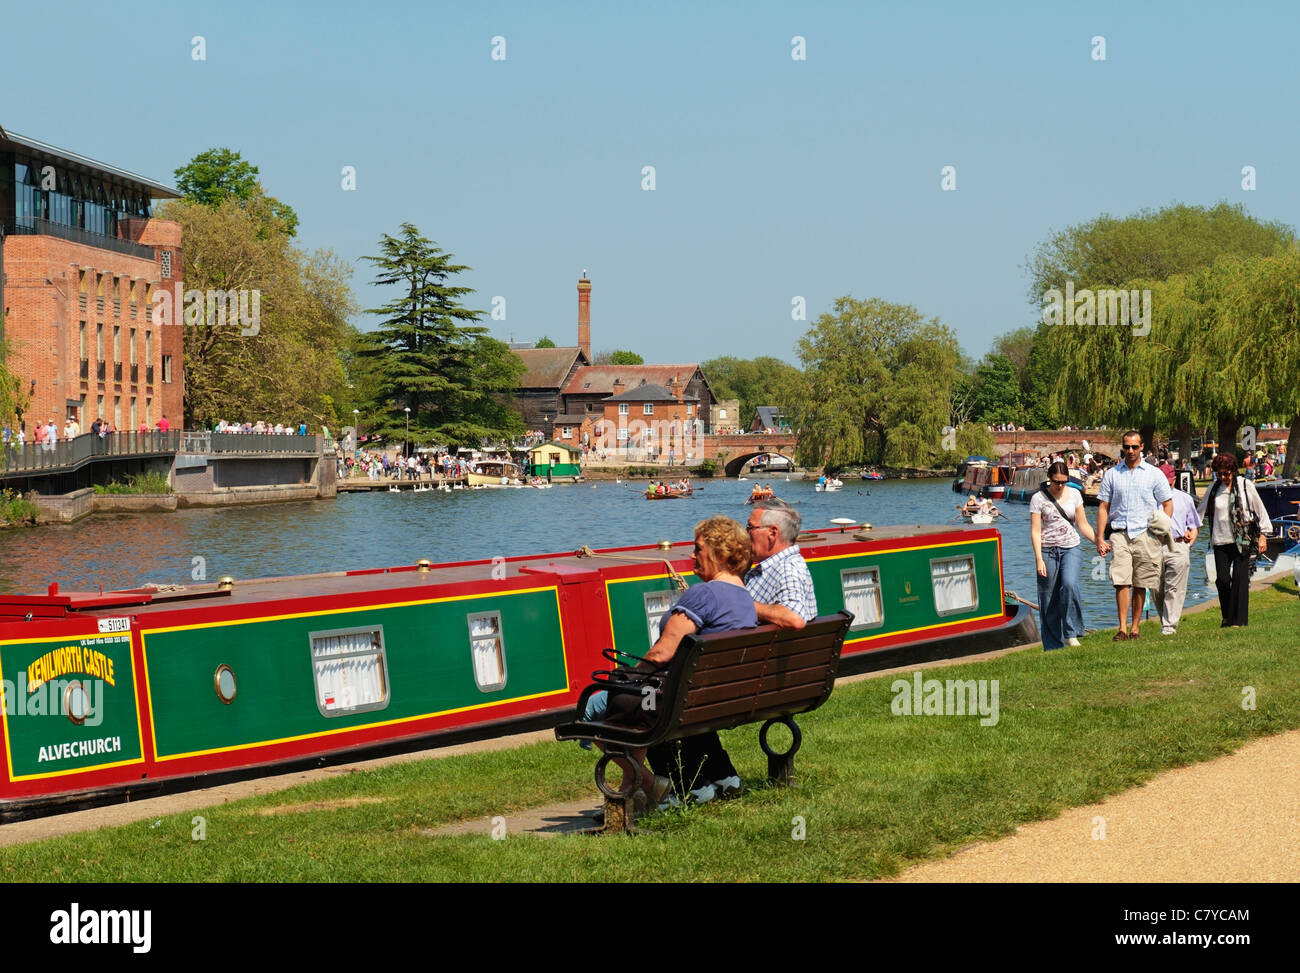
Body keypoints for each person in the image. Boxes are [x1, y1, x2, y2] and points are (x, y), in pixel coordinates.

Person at [600, 516, 757, 807]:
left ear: (720, 555)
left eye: (698, 549)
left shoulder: (704, 593)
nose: (691, 555)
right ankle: (660, 787)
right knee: (634, 699)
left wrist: (631, 676)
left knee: (596, 705)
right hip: (714, 697)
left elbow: (662, 652)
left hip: (677, 701)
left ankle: (648, 786)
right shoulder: (745, 598)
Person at [1096, 431, 1173, 640]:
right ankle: (1122, 627)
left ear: (1141, 447)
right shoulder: (1112, 474)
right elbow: (1103, 507)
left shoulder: (1153, 473)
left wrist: (1160, 533)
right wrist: (1100, 537)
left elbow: (1167, 504)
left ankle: (1135, 628)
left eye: (1134, 447)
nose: (1130, 451)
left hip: (1145, 533)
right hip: (1120, 533)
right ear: (1123, 448)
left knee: (1140, 582)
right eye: (1126, 447)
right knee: (1121, 581)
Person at [1196, 452, 1271, 627]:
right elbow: (1200, 512)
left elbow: (1260, 511)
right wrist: (1191, 530)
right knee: (1222, 580)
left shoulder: (1245, 486)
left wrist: (1263, 535)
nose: (1223, 477)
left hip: (1241, 540)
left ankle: (1238, 620)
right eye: (1219, 474)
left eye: (1226, 474)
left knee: (1239, 579)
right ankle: (1227, 616)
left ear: (1233, 471)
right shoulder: (1213, 489)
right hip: (1220, 540)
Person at [1030, 461, 1097, 650]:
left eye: (1064, 482)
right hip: (1047, 550)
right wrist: (1038, 559)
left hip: (1071, 547)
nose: (1060, 486)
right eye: (1056, 482)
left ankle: (1071, 632)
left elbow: (1082, 524)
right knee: (1048, 598)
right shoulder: (1038, 498)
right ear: (1049, 478)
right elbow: (1035, 531)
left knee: (1069, 584)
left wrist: (1098, 541)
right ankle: (1052, 645)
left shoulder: (1075, 495)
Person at [744, 498, 817, 630]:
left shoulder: (787, 568)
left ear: (772, 533)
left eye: (750, 527)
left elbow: (795, 618)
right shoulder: (778, 565)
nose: (746, 533)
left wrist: (741, 604)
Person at [1156, 465, 1202, 636]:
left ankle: (1169, 627)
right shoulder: (1150, 498)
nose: (1165, 484)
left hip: (1178, 544)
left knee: (1174, 588)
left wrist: (1189, 544)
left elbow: (1194, 525)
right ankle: (1165, 620)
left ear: (1174, 479)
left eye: (1167, 481)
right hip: (1154, 546)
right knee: (1156, 588)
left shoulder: (1185, 498)